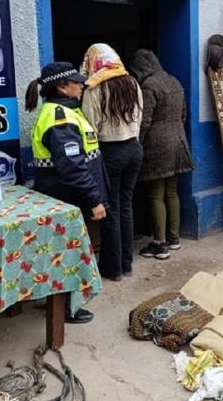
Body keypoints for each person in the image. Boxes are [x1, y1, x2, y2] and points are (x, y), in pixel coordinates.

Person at [25, 62, 110, 324]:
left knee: (65, 251)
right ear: (62, 87)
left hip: (68, 197)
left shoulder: (66, 111)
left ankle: (61, 303)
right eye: (76, 82)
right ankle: (66, 308)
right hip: (70, 199)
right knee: (69, 254)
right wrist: (94, 199)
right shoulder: (59, 118)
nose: (82, 85)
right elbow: (72, 168)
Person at [81, 44, 143, 281]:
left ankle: (112, 269)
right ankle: (127, 264)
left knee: (111, 209)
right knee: (126, 206)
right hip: (134, 149)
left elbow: (90, 126)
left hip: (109, 151)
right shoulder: (132, 82)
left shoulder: (94, 88)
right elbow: (140, 116)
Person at [129, 49, 194, 260]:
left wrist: (137, 143)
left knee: (156, 194)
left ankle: (159, 243)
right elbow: (183, 114)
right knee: (172, 192)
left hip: (157, 145)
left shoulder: (149, 85)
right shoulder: (174, 81)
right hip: (178, 141)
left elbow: (145, 121)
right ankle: (174, 238)